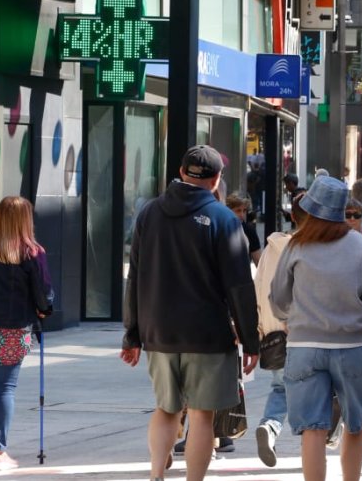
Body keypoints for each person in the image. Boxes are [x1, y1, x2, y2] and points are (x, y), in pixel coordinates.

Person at [120, 145, 259, 481]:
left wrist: (132, 333)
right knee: (201, 416)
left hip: (159, 331)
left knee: (166, 408)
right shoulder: (223, 219)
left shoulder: (149, 214)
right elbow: (239, 287)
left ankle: (156, 474)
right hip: (208, 334)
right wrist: (251, 341)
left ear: (182, 172)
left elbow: (134, 276)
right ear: (216, 180)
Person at [270, 176, 362, 481]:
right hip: (351, 347)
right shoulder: (361, 246)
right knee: (356, 422)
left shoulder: (296, 246)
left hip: (304, 348)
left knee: (313, 429)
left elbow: (278, 297)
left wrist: (289, 317)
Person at [0, 197, 54, 472]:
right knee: (4, 387)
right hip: (13, 329)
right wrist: (44, 310)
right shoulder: (32, 253)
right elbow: (44, 294)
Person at [252, 194, 304, 468]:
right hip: (307, 333)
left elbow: (259, 285)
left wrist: (260, 327)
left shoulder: (272, 247)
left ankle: (270, 427)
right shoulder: (313, 247)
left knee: (280, 387)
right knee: (320, 388)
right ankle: (321, 436)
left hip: (274, 335)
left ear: (292, 216)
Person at [226, 193, 262, 265]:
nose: (242, 215)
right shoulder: (221, 229)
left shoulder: (249, 231)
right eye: (238, 211)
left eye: (244, 210)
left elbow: (259, 262)